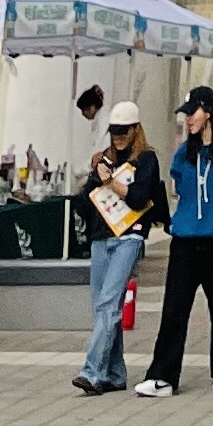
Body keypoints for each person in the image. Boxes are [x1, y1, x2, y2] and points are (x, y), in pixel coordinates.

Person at [142, 86, 213, 394]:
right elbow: (180, 186)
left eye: (193, 113)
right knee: (174, 309)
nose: (188, 119)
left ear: (208, 112)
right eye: (186, 114)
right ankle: (162, 376)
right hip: (185, 241)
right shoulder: (183, 152)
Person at [70, 101, 168, 393]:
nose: (118, 138)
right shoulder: (105, 159)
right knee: (101, 306)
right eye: (114, 132)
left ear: (135, 130)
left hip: (129, 236)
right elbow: (83, 201)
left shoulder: (146, 159)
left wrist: (110, 182)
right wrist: (94, 177)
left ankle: (92, 371)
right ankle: (114, 373)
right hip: (102, 236)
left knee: (108, 304)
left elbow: (139, 198)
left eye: (123, 132)